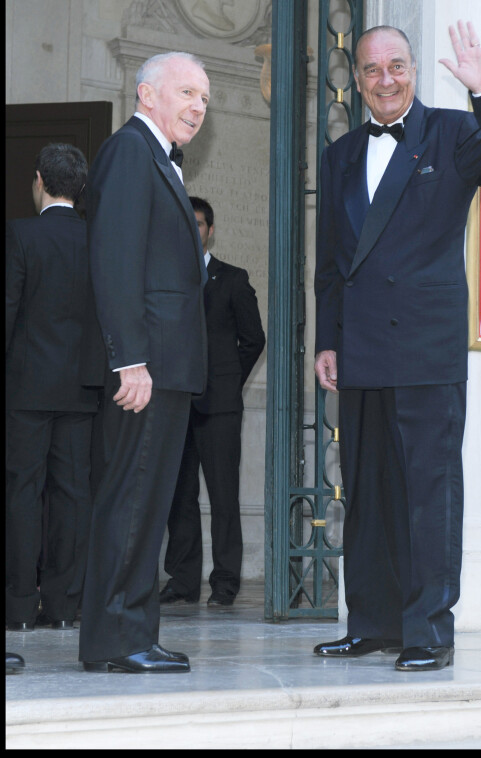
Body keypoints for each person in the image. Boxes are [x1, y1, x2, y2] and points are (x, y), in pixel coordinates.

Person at [313, 21, 481, 671]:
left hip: (424, 347)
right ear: (355, 81)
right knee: (368, 493)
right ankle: (373, 624)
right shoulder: (339, 155)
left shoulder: (455, 130)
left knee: (427, 493)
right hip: (359, 348)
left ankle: (428, 633)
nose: (385, 79)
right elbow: (330, 259)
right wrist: (328, 339)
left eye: (396, 66)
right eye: (370, 70)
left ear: (414, 69)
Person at [78, 51, 210, 673]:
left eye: (204, 99)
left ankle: (136, 631)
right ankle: (117, 639)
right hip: (146, 370)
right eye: (186, 92)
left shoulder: (158, 158)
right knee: (131, 500)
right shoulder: (131, 151)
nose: (197, 107)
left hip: (166, 367)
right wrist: (130, 360)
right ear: (147, 93)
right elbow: (114, 259)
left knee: (146, 504)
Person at [6, 143, 97, 632]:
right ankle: (63, 607)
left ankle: (19, 607)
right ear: (80, 189)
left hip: (27, 390)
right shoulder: (96, 239)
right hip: (82, 392)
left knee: (22, 493)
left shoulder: (20, 234)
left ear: (39, 180)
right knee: (73, 497)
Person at [161, 197, 265, 608]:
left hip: (219, 406)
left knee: (223, 497)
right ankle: (182, 582)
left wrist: (227, 380)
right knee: (178, 496)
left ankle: (225, 583)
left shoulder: (233, 279)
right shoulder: (167, 277)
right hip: (176, 405)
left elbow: (254, 339)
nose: (194, 229)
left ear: (210, 230)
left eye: (200, 223)